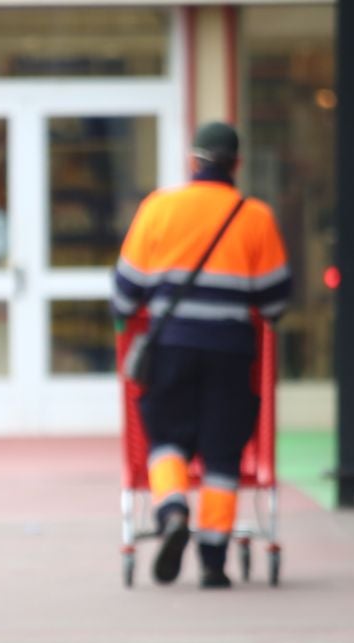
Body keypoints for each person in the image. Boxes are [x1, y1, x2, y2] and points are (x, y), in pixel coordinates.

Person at [111, 122, 292, 589]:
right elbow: (274, 302)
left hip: (170, 346)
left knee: (166, 439)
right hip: (232, 353)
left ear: (193, 161)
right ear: (236, 164)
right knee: (222, 453)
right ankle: (214, 560)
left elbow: (125, 293)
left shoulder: (158, 209)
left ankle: (172, 512)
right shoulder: (256, 217)